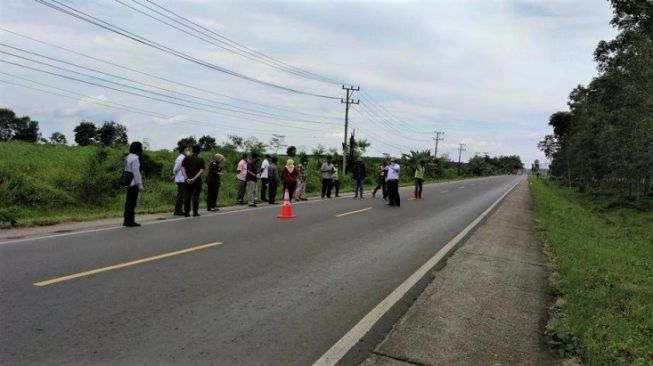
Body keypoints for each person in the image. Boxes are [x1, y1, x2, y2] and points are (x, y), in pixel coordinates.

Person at [123, 141, 144, 227]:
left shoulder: (128, 157)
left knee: (128, 203)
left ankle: (126, 220)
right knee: (132, 203)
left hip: (128, 182)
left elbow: (126, 170)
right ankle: (131, 221)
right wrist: (139, 184)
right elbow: (136, 173)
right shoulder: (135, 158)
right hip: (133, 184)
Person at [181, 145, 205, 217]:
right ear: (199, 151)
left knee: (187, 196)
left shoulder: (186, 159)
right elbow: (201, 171)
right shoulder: (200, 160)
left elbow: (182, 168)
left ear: (192, 150)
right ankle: (195, 212)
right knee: (195, 196)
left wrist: (186, 178)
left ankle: (186, 212)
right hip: (196, 181)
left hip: (187, 180)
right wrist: (194, 178)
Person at [172, 145, 189, 216]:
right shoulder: (180, 158)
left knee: (181, 195)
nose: (188, 151)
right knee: (181, 195)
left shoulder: (184, 157)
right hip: (181, 178)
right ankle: (177, 210)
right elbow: (176, 169)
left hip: (182, 178)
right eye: (186, 150)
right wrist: (174, 175)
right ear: (183, 151)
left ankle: (178, 209)